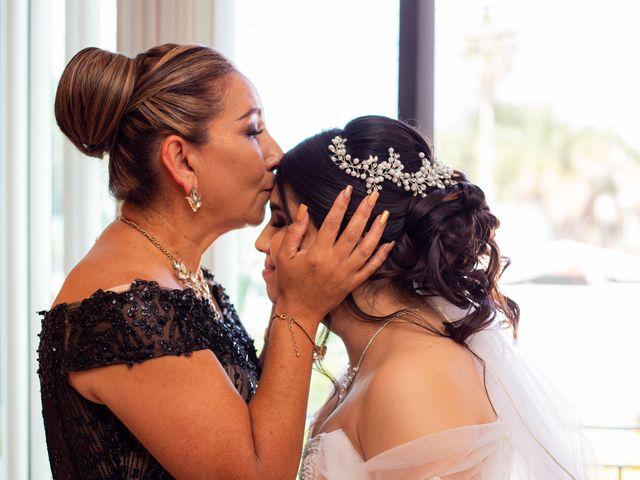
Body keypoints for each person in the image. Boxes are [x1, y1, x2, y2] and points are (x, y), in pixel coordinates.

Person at [38, 44, 392, 479]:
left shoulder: (178, 280)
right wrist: (299, 309)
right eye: (253, 130)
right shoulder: (125, 308)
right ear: (182, 160)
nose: (276, 152)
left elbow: (252, 419)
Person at [256, 115, 604, 479]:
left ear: (351, 233)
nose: (262, 242)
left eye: (280, 221)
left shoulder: (412, 378)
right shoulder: (372, 361)